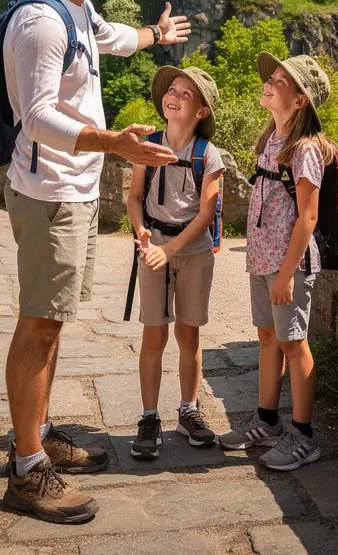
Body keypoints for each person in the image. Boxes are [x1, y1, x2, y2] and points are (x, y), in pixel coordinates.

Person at [1, 0, 191, 525]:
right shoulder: (40, 23)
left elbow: (114, 39)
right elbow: (36, 118)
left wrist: (156, 36)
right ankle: (27, 469)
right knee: (38, 325)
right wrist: (115, 143)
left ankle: (41, 431)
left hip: (73, 193)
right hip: (49, 192)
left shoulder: (79, 10)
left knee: (52, 323)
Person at [219, 53, 332, 471]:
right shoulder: (270, 140)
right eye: (273, 77)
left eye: (282, 81)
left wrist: (287, 272)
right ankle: (267, 421)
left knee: (293, 343)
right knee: (268, 337)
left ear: (300, 100)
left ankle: (304, 435)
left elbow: (308, 216)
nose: (270, 82)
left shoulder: (304, 150)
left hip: (289, 264)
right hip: (263, 259)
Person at [126, 65, 223, 460]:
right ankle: (150, 417)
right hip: (154, 247)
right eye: (173, 89)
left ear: (200, 112)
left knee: (189, 335)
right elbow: (134, 197)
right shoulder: (147, 143)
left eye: (186, 93)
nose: (175, 95)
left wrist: (170, 250)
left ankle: (188, 410)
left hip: (193, 251)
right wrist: (140, 232)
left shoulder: (207, 154)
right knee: (154, 335)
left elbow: (206, 214)